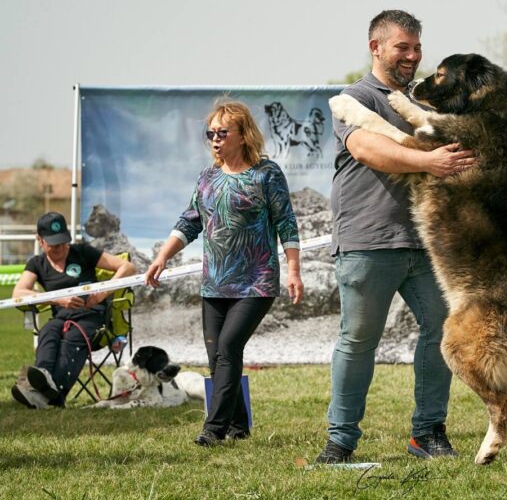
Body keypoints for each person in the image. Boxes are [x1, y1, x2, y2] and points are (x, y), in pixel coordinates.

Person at [316, 9, 477, 464]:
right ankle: (340, 442)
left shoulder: (426, 107)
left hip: (427, 245)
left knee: (441, 332)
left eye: (416, 47)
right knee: (359, 340)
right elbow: (368, 148)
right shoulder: (355, 97)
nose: (411, 55)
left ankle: (428, 433)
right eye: (402, 47)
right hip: (368, 241)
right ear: (376, 48)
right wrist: (429, 162)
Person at [145, 97, 303, 447]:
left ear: (243, 134)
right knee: (218, 357)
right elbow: (190, 221)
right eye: (209, 133)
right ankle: (239, 426)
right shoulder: (208, 177)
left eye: (222, 132)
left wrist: (293, 269)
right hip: (214, 283)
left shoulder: (266, 174)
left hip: (256, 282)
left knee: (229, 348)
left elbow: (286, 224)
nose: (215, 139)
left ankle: (213, 430)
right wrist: (162, 257)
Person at [11, 211, 136, 408]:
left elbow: (127, 267)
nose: (60, 248)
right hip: (60, 317)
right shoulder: (36, 263)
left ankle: (51, 397)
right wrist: (57, 299)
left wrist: (102, 293)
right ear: (40, 240)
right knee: (47, 333)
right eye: (53, 244)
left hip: (91, 317)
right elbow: (18, 292)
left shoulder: (83, 252)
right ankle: (43, 383)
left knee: (73, 338)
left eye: (62, 242)